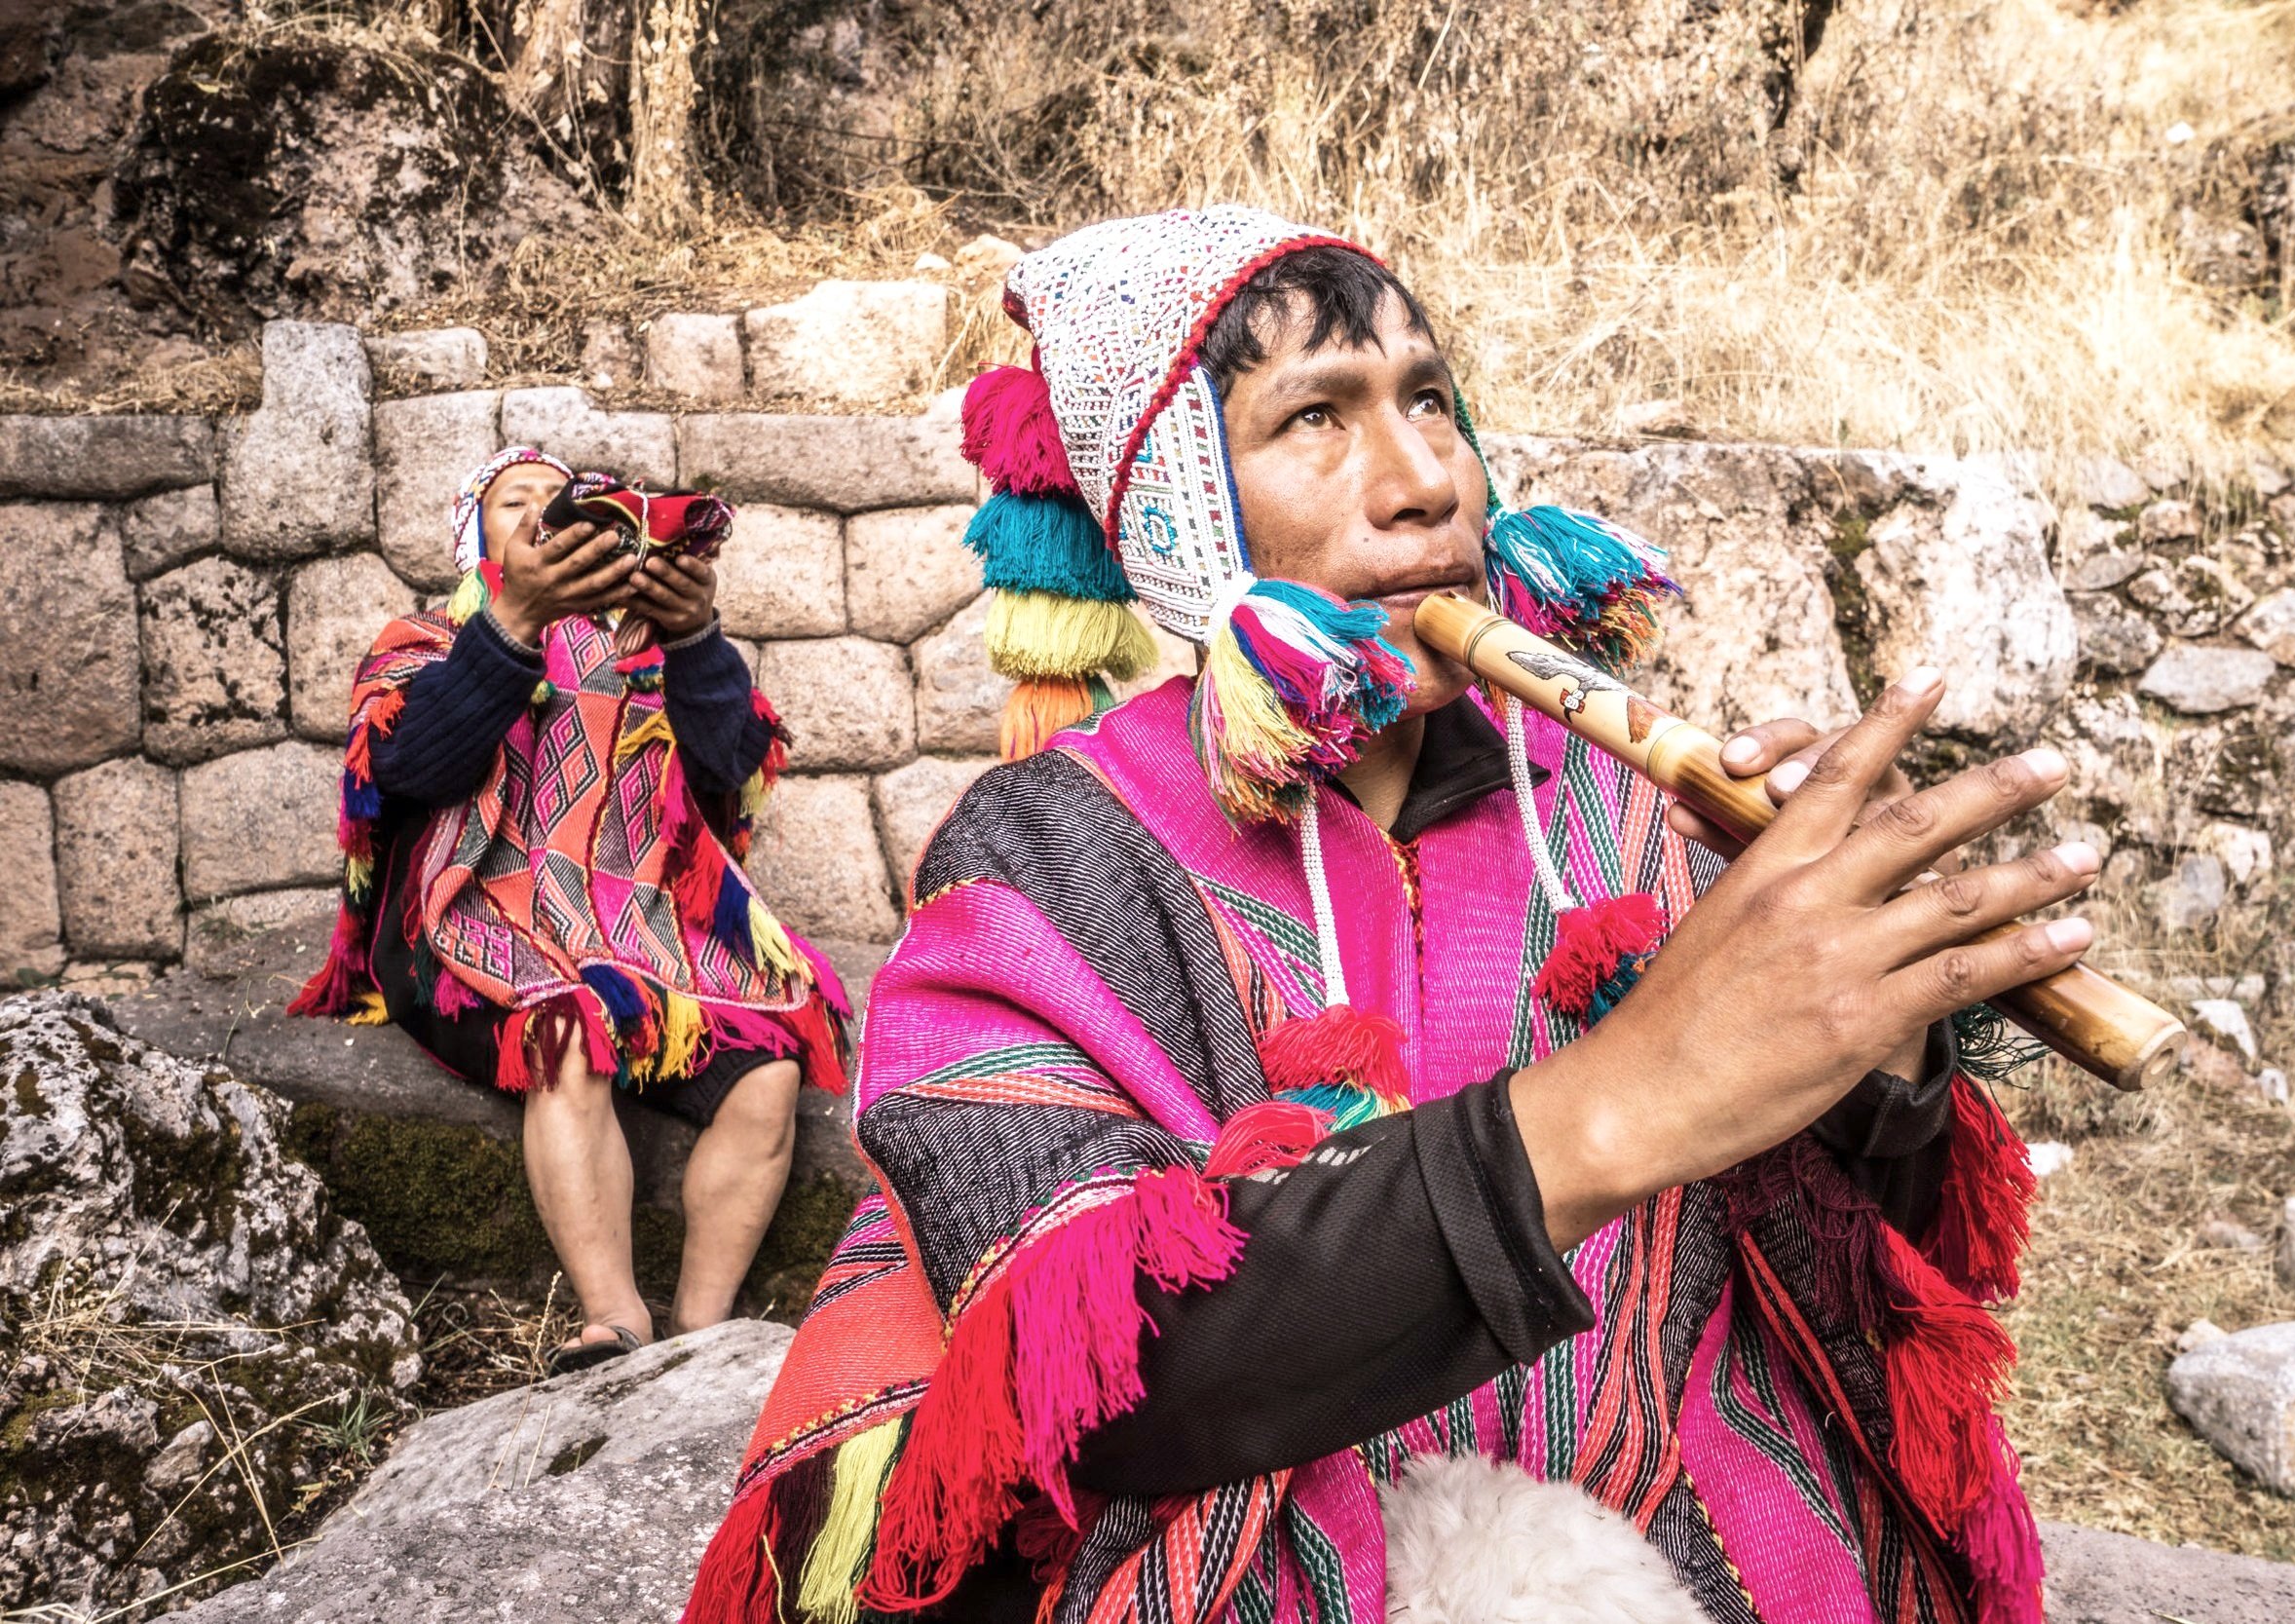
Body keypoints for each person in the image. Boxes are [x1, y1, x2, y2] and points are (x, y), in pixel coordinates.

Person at [682, 208, 2089, 1624]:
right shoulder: (1042, 848)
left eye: (1429, 399)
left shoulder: (1617, 804)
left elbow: (1862, 1251)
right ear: (1183, 510)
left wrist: (1878, 1024)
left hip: (1689, 1535)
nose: (1425, 480)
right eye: (1315, 416)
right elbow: (1103, 1383)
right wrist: (1621, 1102)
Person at [290, 447, 852, 1373]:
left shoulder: (646, 653)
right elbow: (410, 769)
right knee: (566, 1028)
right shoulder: (423, 643)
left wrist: (698, 636)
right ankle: (615, 1321)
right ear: (478, 541)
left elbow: (730, 773)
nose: (545, 516)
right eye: (518, 505)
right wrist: (512, 624)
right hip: (475, 918)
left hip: (638, 926)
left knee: (771, 1065)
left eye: (565, 506)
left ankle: (703, 1337)